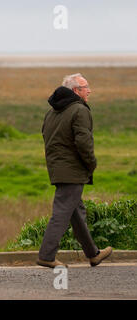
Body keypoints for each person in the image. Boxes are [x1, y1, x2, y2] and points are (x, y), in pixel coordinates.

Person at [37, 73, 112, 268]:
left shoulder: (51, 112)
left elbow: (47, 138)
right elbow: (83, 142)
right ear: (75, 91)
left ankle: (93, 254)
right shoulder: (80, 110)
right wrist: (91, 163)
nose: (89, 90)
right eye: (85, 87)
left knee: (76, 214)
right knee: (61, 213)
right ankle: (46, 255)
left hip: (58, 169)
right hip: (72, 171)